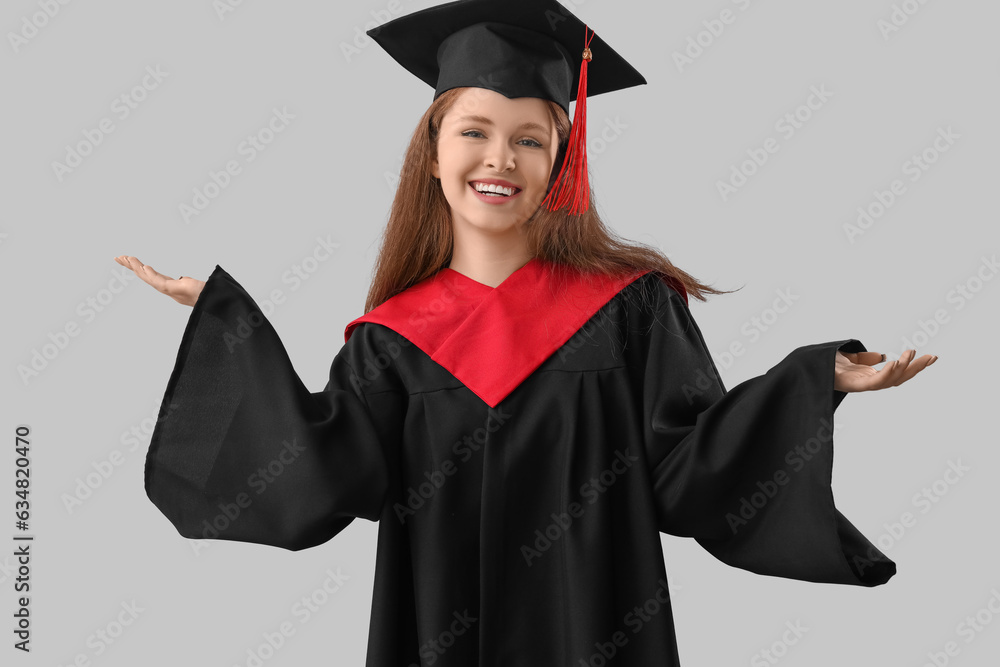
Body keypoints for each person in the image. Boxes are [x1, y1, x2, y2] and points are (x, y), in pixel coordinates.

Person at [115, 1, 937, 664]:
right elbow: (319, 476)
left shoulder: (632, 309)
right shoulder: (391, 342)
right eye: (473, 130)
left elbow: (691, 467)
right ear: (432, 151)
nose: (498, 158)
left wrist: (812, 380)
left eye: (529, 139)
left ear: (560, 163)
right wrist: (230, 329)